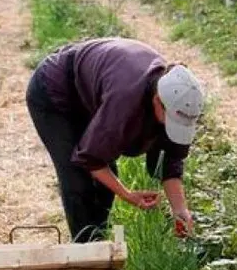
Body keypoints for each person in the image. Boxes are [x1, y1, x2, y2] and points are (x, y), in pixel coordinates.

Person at [26, 38, 205, 243]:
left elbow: (171, 159)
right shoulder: (125, 102)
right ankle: (85, 253)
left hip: (92, 95)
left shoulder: (178, 99)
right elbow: (91, 159)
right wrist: (128, 194)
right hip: (55, 93)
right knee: (79, 180)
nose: (171, 125)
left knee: (105, 184)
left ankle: (98, 242)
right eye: (170, 119)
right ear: (157, 100)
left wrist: (180, 210)